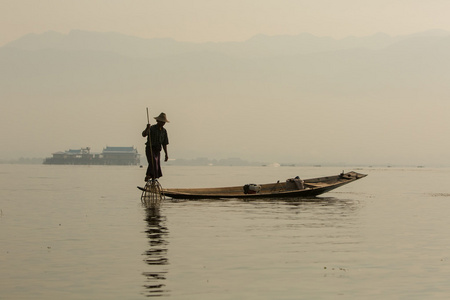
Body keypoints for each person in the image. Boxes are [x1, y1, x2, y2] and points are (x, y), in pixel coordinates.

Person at [142, 112, 169, 181]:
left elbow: (164, 143)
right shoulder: (152, 128)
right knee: (153, 162)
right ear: (157, 121)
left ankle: (153, 178)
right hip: (150, 148)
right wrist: (147, 128)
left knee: (157, 164)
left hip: (157, 150)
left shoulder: (164, 131)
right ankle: (148, 175)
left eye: (164, 122)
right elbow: (144, 135)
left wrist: (166, 154)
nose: (163, 123)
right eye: (161, 122)